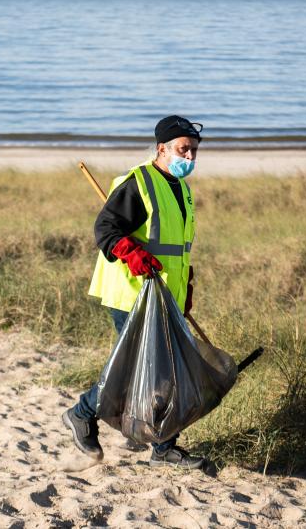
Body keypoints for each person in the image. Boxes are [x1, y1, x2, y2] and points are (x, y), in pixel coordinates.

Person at [62, 115, 205, 469]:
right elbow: (106, 228)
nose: (189, 157)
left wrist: (185, 286)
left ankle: (146, 438)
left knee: (156, 371)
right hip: (132, 293)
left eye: (194, 151)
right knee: (151, 372)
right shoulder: (138, 182)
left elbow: (178, 248)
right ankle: (86, 416)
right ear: (162, 149)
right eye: (184, 149)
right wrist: (132, 253)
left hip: (163, 295)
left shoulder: (182, 189)